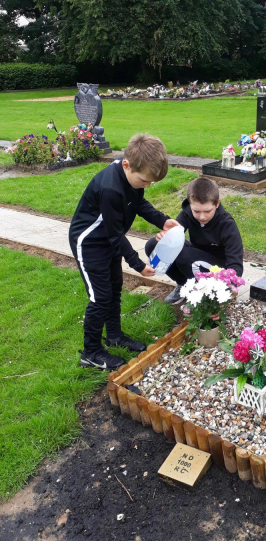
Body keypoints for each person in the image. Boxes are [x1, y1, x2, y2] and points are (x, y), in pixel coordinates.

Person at [69, 134, 179, 370]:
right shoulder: (110, 189)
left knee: (114, 287)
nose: (147, 186)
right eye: (144, 181)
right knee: (100, 297)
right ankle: (90, 352)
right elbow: (115, 235)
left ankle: (114, 336)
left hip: (108, 241)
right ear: (127, 165)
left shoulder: (130, 176)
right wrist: (138, 265)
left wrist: (162, 221)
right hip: (89, 244)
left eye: (151, 183)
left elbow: (138, 203)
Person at [145, 177, 244, 304]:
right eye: (196, 211)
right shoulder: (187, 214)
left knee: (183, 255)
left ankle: (204, 295)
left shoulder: (227, 224)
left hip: (218, 268)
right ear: (190, 204)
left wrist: (226, 291)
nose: (202, 217)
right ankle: (184, 285)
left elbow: (236, 265)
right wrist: (165, 237)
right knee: (154, 245)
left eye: (207, 211)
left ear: (217, 204)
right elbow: (174, 235)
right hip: (196, 257)